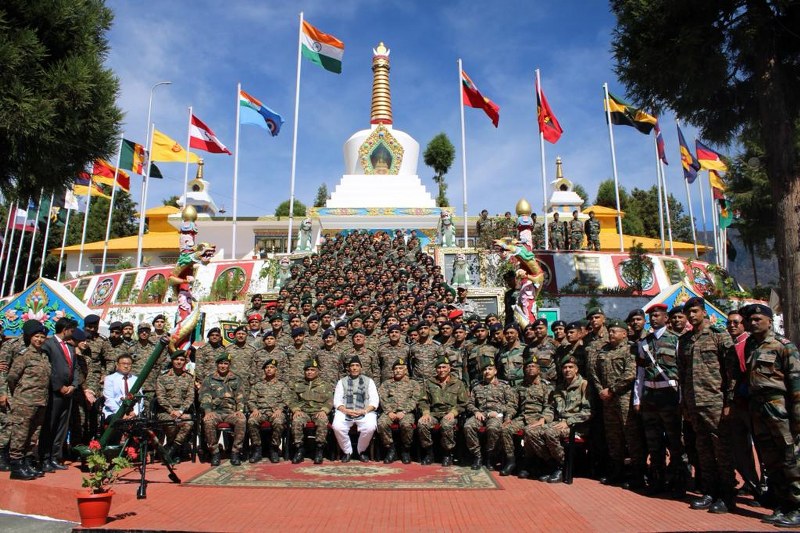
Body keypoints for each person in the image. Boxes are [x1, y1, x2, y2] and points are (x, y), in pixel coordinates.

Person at [739, 305, 800, 527]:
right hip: (758, 408)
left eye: (757, 319)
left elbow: (795, 384)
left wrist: (796, 418)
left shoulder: (784, 346)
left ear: (769, 320)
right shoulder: (750, 346)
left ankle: (797, 506)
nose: (753, 323)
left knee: (791, 458)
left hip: (780, 409)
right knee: (770, 460)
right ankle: (782, 504)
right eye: (750, 320)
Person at [678, 297, 736, 513]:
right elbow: (683, 374)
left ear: (703, 312)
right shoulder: (685, 341)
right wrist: (684, 403)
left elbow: (731, 373)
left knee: (722, 450)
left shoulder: (719, 336)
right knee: (703, 450)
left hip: (715, 402)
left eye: (695, 311)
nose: (691, 316)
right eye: (688, 313)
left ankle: (728, 495)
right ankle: (709, 491)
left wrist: (728, 401)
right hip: (694, 403)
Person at [633, 303, 686, 498]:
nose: (654, 319)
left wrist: (681, 400)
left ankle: (679, 482)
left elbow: (682, 372)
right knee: (654, 443)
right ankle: (657, 480)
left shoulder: (676, 340)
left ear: (666, 318)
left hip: (670, 396)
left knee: (675, 442)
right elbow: (639, 374)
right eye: (651, 316)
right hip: (649, 397)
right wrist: (637, 399)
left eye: (657, 315)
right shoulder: (643, 343)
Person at [588, 318, 645, 489]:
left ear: (624, 334)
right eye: (610, 331)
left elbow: (630, 374)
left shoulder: (630, 350)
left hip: (624, 399)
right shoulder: (604, 350)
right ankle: (617, 471)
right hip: (607, 400)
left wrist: (611, 390)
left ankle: (637, 474)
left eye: (614, 331)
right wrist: (601, 390)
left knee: (631, 436)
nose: (611, 334)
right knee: (613, 437)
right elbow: (594, 371)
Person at [526, 355, 591, 483]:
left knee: (550, 433)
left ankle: (562, 467)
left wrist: (568, 422)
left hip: (576, 426)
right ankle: (552, 464)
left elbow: (588, 411)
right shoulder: (559, 387)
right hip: (558, 422)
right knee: (530, 431)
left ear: (576, 369)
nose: (567, 370)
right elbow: (551, 408)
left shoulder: (584, 385)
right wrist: (543, 419)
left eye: (570, 367)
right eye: (565, 368)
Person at [6, 321, 51, 480]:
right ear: (29, 337)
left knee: (33, 434)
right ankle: (16, 466)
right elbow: (12, 377)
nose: (39, 340)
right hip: (24, 401)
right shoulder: (24, 355)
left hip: (40, 401)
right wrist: (20, 394)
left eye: (42, 337)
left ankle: (27, 462)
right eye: (36, 336)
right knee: (21, 433)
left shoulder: (44, 355)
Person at [725, 308, 760, 500]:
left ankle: (764, 486)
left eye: (735, 322)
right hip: (736, 404)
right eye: (729, 323)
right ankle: (751, 482)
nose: (732, 326)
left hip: (752, 403)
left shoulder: (750, 343)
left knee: (761, 448)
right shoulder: (730, 345)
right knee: (739, 447)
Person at [464, 356, 517, 471]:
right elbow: (469, 403)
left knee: (493, 428)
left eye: (489, 369)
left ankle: (490, 456)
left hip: (496, 416)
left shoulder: (504, 386)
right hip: (481, 415)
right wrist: (476, 411)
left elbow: (511, 404)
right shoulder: (477, 387)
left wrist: (500, 412)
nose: (487, 371)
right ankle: (477, 456)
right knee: (468, 426)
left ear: (495, 371)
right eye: (484, 369)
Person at [40, 317, 78, 471]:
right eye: (72, 330)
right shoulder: (48, 345)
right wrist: (59, 386)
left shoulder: (70, 347)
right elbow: (48, 369)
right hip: (54, 393)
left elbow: (75, 368)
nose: (73, 333)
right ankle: (44, 458)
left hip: (68, 393)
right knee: (50, 426)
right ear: (65, 329)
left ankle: (55, 457)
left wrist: (73, 385)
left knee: (62, 427)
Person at [506, 356, 553, 479]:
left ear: (539, 369)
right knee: (505, 429)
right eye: (528, 366)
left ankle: (537, 463)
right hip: (523, 417)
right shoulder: (520, 386)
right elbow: (512, 405)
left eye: (533, 366)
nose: (530, 368)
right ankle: (512, 461)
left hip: (538, 419)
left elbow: (549, 406)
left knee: (530, 432)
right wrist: (508, 417)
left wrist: (543, 419)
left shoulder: (546, 386)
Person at [418, 356, 468, 467]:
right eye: (439, 367)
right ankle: (429, 453)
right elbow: (423, 400)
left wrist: (453, 413)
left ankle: (447, 453)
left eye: (444, 367)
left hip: (450, 413)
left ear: (449, 368)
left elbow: (463, 403)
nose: (441, 370)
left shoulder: (458, 383)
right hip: (434, 413)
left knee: (446, 424)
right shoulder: (429, 382)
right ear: (436, 369)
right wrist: (425, 412)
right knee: (422, 423)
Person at [200, 353, 246, 467]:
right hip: (215, 412)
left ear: (229, 365)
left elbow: (240, 397)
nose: (223, 366)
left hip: (231, 412)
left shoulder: (236, 379)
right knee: (208, 421)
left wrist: (239, 411)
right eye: (221, 363)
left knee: (242, 420)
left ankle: (235, 452)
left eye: (226, 364)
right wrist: (207, 411)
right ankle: (215, 453)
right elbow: (205, 396)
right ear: (217, 365)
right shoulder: (209, 379)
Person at [332, 356, 379, 462]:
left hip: (364, 411)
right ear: (348, 368)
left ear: (361, 368)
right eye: (352, 366)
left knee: (370, 427)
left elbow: (374, 400)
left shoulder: (369, 381)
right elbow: (337, 401)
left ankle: (360, 451)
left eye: (357, 366)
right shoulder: (342, 381)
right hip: (345, 411)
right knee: (337, 427)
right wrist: (345, 410)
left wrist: (365, 410)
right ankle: (348, 451)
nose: (354, 368)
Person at [376, 357, 420, 464]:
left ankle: (405, 450)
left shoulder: (413, 384)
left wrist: (404, 411)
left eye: (401, 368)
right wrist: (389, 411)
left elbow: (415, 399)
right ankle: (391, 449)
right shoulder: (386, 384)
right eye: (396, 368)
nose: (398, 370)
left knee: (406, 424)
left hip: (406, 412)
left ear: (405, 370)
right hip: (389, 412)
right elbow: (382, 398)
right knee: (381, 423)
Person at [289, 359, 333, 465]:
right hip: (303, 411)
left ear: (317, 371)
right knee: (296, 421)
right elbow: (291, 399)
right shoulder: (298, 385)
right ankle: (299, 449)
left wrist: (324, 410)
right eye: (307, 370)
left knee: (322, 421)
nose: (309, 372)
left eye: (312, 370)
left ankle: (319, 450)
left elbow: (330, 400)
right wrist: (295, 410)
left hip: (318, 411)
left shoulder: (325, 385)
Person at [247, 357, 290, 463]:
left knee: (278, 422)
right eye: (267, 367)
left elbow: (287, 401)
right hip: (261, 411)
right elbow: (251, 400)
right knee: (252, 421)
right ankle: (257, 449)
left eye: (272, 367)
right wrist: (254, 409)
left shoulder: (282, 385)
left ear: (276, 370)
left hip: (276, 412)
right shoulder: (258, 385)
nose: (269, 369)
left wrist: (280, 409)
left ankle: (274, 448)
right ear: (264, 370)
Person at [155, 350, 194, 464]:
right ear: (172, 361)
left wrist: (181, 410)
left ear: (184, 362)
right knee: (171, 423)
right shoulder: (163, 377)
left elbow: (190, 397)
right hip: (165, 412)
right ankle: (177, 451)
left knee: (189, 422)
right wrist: (171, 411)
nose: (179, 362)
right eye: (177, 359)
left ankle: (172, 450)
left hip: (182, 411)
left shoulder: (189, 377)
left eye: (182, 360)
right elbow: (161, 397)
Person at [103, 354, 140, 419]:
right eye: (123, 363)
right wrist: (120, 414)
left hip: (132, 412)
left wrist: (135, 412)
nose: (126, 366)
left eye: (129, 364)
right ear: (117, 365)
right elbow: (109, 399)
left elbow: (140, 398)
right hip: (114, 412)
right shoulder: (109, 379)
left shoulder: (136, 379)